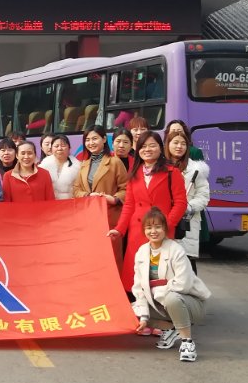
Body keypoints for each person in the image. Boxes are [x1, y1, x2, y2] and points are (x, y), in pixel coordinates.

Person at [108, 131, 187, 293]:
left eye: (152, 145)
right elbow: (129, 205)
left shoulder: (172, 172)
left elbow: (180, 203)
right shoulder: (134, 173)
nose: (147, 150)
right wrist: (119, 229)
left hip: (161, 230)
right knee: (135, 274)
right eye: (143, 146)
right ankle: (137, 303)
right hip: (137, 230)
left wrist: (166, 226)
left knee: (159, 274)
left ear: (160, 148)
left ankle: (159, 303)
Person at [132, 207, 211, 362]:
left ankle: (187, 342)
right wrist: (144, 317)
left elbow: (183, 284)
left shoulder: (176, 250)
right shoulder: (141, 252)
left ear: (165, 229)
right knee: (131, 311)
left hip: (190, 304)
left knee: (172, 298)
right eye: (149, 227)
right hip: (162, 302)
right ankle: (172, 328)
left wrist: (156, 292)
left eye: (158, 227)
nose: (153, 231)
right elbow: (139, 288)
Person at [73, 125, 128, 265]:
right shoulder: (84, 164)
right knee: (93, 257)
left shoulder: (115, 162)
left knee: (112, 257)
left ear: (104, 139)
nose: (91, 143)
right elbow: (76, 189)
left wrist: (114, 199)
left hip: (110, 216)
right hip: (89, 218)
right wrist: (88, 195)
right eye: (87, 140)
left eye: (94, 138)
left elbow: (126, 189)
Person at [165, 130, 211, 271]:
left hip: (187, 221)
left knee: (186, 265)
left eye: (183, 144)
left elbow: (203, 196)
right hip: (165, 218)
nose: (179, 146)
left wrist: (188, 207)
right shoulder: (160, 167)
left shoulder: (196, 169)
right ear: (167, 144)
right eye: (175, 143)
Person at [38, 134, 81, 200]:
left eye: (63, 146)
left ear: (69, 148)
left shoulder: (78, 166)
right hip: (50, 202)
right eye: (56, 146)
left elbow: (80, 188)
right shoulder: (44, 166)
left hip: (71, 202)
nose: (59, 148)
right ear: (52, 149)